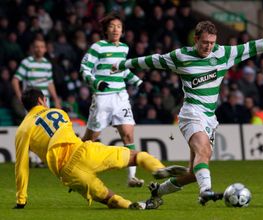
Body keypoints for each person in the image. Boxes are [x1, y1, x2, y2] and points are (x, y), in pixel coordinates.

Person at [113, 20, 263, 206]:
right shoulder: (181, 56)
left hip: (210, 119)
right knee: (203, 150)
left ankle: (158, 191)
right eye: (205, 42)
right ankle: (205, 192)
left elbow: (253, 47)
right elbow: (152, 60)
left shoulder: (223, 53)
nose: (208, 47)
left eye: (212, 43)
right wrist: (123, 65)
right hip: (191, 113)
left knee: (195, 172)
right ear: (196, 39)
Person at [14, 88, 188, 210]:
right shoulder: (58, 112)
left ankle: (129, 205)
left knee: (105, 196)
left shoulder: (23, 129)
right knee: (136, 156)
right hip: (85, 152)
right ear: (41, 101)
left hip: (67, 172)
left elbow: (21, 166)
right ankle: (158, 168)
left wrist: (21, 199)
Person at [80, 13, 144, 187]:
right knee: (90, 138)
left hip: (121, 97)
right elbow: (84, 69)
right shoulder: (97, 47)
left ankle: (131, 177)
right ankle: (73, 164)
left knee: (129, 135)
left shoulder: (124, 48)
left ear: (122, 31)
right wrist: (95, 82)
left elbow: (121, 70)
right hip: (102, 98)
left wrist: (136, 80)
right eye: (112, 26)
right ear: (105, 30)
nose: (116, 29)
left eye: (119, 27)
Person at [12, 38, 61, 167]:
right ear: (33, 48)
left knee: (45, 131)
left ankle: (42, 160)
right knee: (30, 130)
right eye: (37, 47)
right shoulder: (26, 63)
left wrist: (56, 99)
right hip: (31, 103)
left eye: (42, 47)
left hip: (45, 102)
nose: (39, 49)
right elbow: (15, 80)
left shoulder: (47, 64)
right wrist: (20, 97)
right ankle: (25, 158)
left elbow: (50, 83)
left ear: (45, 49)